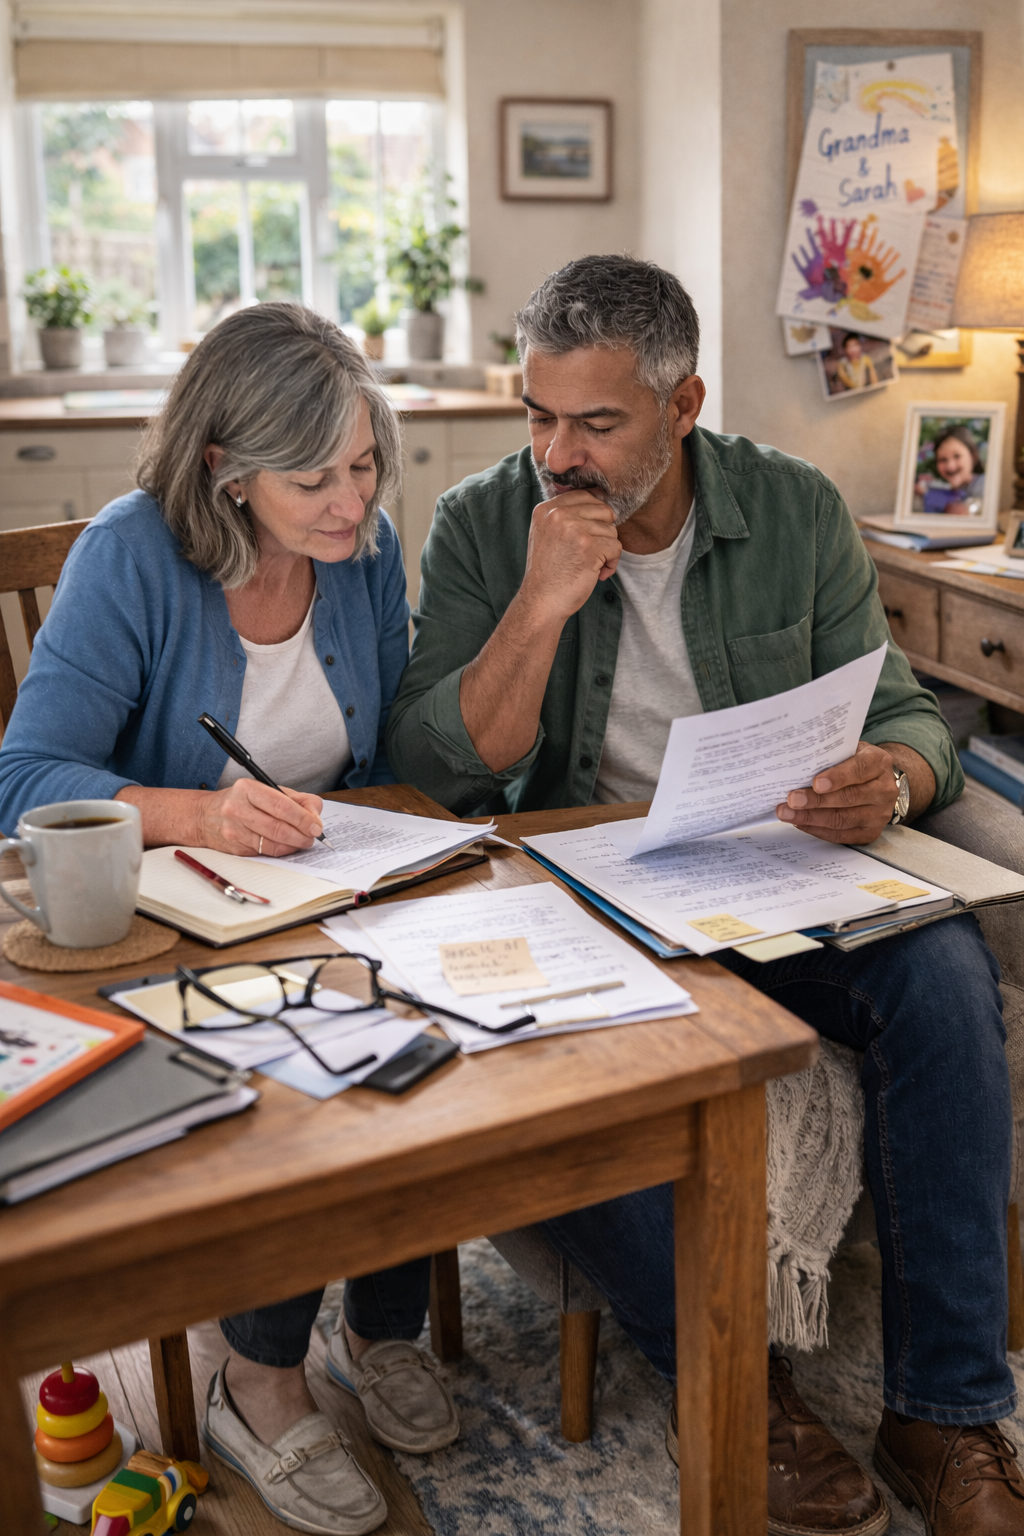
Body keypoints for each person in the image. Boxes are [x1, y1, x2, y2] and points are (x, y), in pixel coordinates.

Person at [387, 255, 1024, 1536]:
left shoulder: (790, 507)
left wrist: (888, 781)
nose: (555, 452)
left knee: (944, 968)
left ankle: (943, 1410)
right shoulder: (479, 522)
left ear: (682, 408)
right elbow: (437, 766)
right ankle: (733, 1376)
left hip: (765, 875)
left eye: (596, 421)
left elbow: (903, 709)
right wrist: (541, 602)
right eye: (536, 415)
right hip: (571, 887)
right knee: (564, 1061)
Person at [0, 303, 458, 1536]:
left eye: (364, 465)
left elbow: (377, 762)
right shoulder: (132, 555)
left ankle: (383, 1323)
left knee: (430, 1012)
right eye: (314, 478)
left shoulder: (363, 557)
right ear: (226, 468)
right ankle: (255, 1376)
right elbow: (23, 778)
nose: (351, 504)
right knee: (323, 1054)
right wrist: (196, 814)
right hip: (168, 924)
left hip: (319, 890)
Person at [914, 424, 987, 515]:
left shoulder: (985, 484)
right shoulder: (947, 493)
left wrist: (968, 510)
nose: (950, 466)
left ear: (973, 455)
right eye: (942, 459)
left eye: (957, 456)